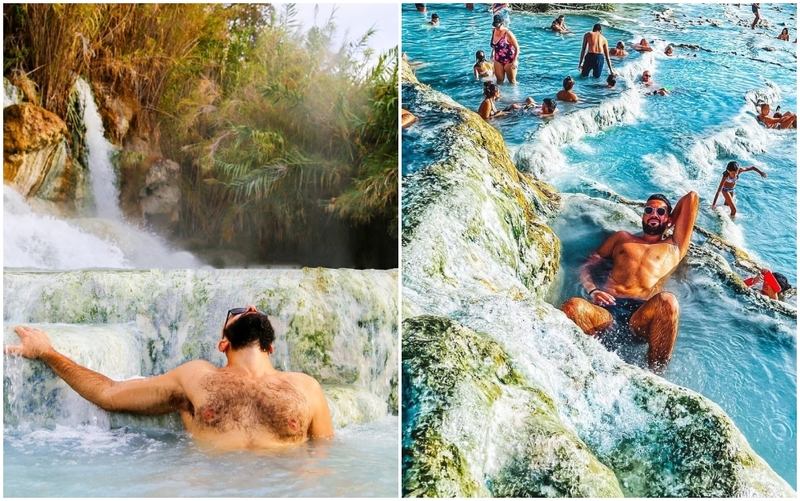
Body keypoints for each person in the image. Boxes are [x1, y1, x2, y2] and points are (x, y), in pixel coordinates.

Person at [5, 306, 335, 448]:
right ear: (223, 343)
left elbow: (326, 455)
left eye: (255, 310)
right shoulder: (195, 376)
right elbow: (109, 393)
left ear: (271, 346)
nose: (249, 307)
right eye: (237, 311)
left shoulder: (306, 387)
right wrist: (47, 352)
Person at [561, 191, 699, 374]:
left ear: (669, 219)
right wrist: (592, 290)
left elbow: (691, 198)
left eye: (661, 212)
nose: (654, 214)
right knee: (572, 307)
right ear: (643, 215)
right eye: (649, 210)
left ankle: (654, 375)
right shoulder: (622, 238)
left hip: (641, 317)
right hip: (607, 310)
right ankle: (590, 368)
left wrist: (670, 220)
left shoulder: (674, 246)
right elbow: (587, 265)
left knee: (668, 302)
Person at [490, 15, 519, 84]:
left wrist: (514, 61)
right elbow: (495, 46)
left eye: (498, 25)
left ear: (502, 23)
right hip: (498, 59)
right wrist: (492, 54)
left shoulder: (508, 33)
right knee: (499, 81)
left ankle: (514, 94)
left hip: (509, 60)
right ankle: (500, 94)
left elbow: (517, 47)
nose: (496, 27)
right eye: (495, 25)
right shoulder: (494, 31)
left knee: (512, 82)